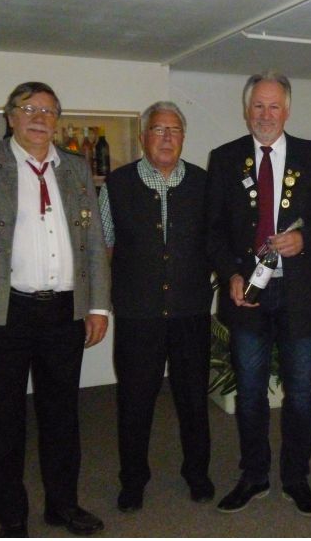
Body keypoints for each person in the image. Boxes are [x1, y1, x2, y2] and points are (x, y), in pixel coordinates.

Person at [0, 82, 110, 538]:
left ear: (57, 120)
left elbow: (94, 242)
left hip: (64, 312)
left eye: (49, 110)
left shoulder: (75, 168)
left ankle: (62, 505)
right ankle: (11, 515)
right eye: (29, 108)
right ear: (11, 116)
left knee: (62, 416)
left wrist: (97, 305)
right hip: (4, 314)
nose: (40, 117)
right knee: (2, 419)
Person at [206, 71, 311, 516]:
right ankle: (254, 475)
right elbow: (214, 229)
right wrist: (230, 273)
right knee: (249, 391)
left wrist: (306, 239)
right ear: (247, 110)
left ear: (287, 110)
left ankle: (297, 478)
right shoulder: (225, 159)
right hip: (247, 295)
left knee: (300, 392)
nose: (266, 114)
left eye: (274, 106)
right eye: (259, 106)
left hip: (300, 293)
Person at [98, 101, 214, 512]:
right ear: (143, 137)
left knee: (193, 400)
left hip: (190, 312)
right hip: (138, 314)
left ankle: (197, 473)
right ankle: (133, 480)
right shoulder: (116, 185)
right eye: (159, 130)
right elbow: (104, 247)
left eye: (174, 130)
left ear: (183, 137)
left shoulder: (204, 183)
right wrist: (102, 301)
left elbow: (216, 241)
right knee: (135, 401)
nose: (167, 137)